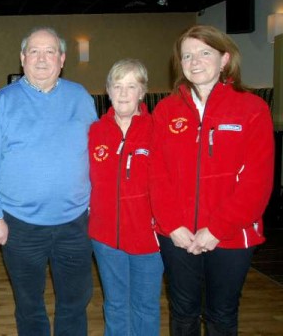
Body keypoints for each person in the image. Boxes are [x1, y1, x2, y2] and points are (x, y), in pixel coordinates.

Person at [0, 27, 97, 336]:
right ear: (23, 58)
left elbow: (98, 156)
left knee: (75, 302)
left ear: (62, 59)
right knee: (29, 305)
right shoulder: (1, 103)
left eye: (50, 51)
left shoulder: (80, 98)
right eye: (34, 52)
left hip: (75, 224)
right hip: (21, 226)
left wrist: (97, 205)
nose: (42, 59)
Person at [149, 25, 274, 336]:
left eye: (205, 53)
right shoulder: (165, 111)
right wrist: (173, 225)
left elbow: (257, 182)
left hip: (231, 235)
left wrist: (217, 229)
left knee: (221, 316)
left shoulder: (252, 109)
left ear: (225, 59)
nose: (195, 61)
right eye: (187, 55)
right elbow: (156, 174)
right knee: (183, 313)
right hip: (177, 236)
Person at [88, 59, 163, 336]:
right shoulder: (95, 132)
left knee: (145, 306)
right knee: (116, 305)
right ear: (108, 90)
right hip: (106, 237)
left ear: (142, 92)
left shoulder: (157, 129)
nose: (123, 93)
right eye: (117, 86)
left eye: (131, 86)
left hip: (148, 237)